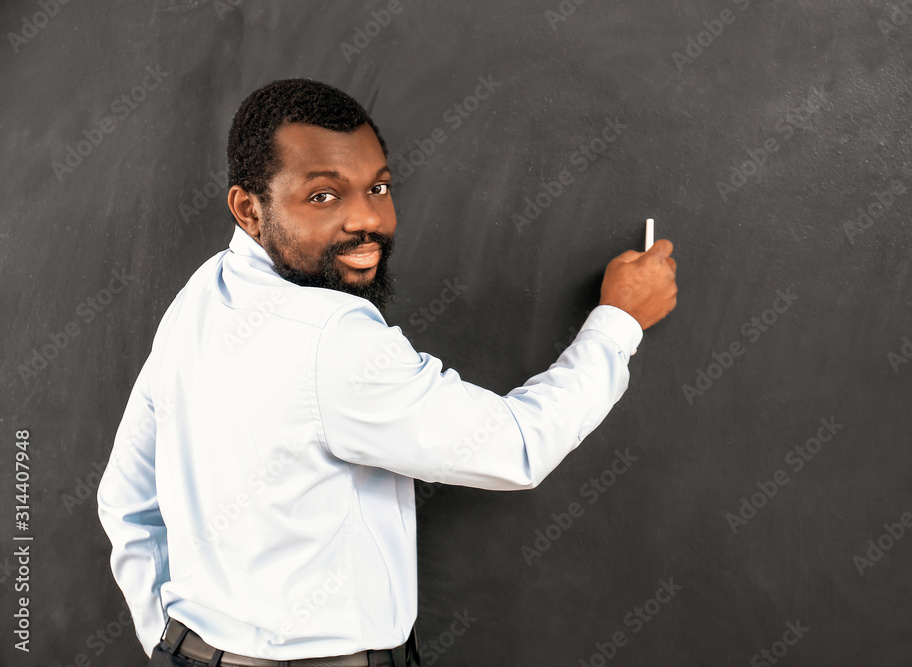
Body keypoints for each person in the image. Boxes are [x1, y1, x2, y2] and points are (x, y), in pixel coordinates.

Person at [97, 78, 678, 667]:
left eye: (377, 187)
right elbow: (517, 447)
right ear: (249, 209)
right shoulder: (333, 337)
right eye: (324, 195)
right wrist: (619, 321)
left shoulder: (202, 293)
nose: (367, 219)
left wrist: (171, 644)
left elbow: (126, 500)